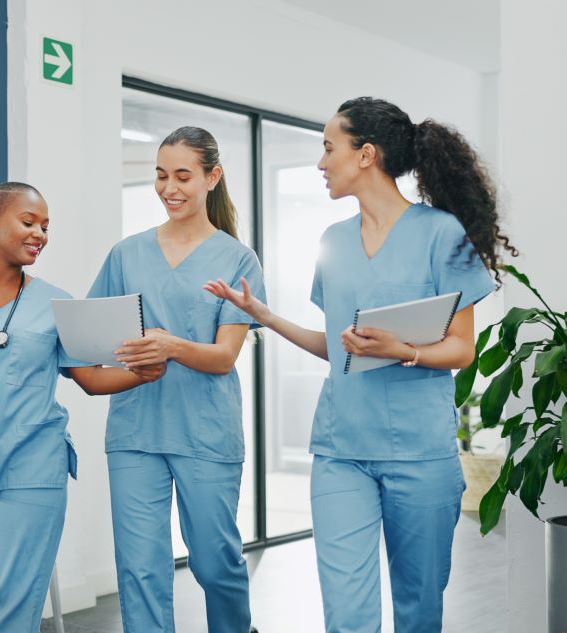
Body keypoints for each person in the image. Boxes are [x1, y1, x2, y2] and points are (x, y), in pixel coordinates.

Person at [206, 98, 517, 633]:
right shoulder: (332, 242)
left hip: (420, 454)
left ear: (367, 154)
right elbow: (337, 345)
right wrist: (262, 315)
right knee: (347, 612)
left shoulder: (441, 234)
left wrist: (404, 350)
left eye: (330, 148)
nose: (321, 162)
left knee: (419, 608)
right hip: (341, 451)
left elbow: (462, 348)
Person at [0, 182, 165, 632]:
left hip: (33, 463)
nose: (40, 234)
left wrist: (140, 374)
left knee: (10, 604)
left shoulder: (54, 302)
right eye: (28, 222)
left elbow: (89, 378)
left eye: (45, 227)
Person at [89, 127, 265, 633]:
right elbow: (95, 338)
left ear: (213, 177)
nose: (170, 187)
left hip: (204, 431)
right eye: (161, 176)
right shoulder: (126, 254)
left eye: (183, 176)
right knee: (140, 568)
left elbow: (225, 356)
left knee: (215, 562)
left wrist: (171, 345)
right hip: (135, 432)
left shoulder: (236, 258)